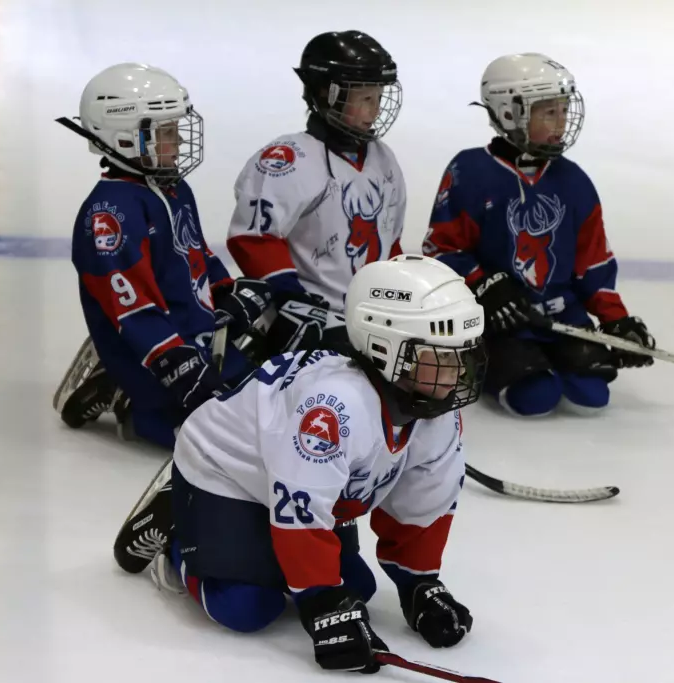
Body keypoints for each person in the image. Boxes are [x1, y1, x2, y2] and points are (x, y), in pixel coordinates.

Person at [112, 255, 486, 673]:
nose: (458, 372)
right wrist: (321, 603)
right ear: (386, 348)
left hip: (284, 474)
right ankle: (176, 533)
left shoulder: (435, 414)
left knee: (357, 588)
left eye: (463, 354)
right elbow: (300, 516)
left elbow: (423, 506)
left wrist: (419, 586)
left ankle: (231, 542)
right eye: (441, 356)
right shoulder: (333, 410)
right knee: (246, 607)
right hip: (225, 471)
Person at [422, 53, 656, 418]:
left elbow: (592, 261)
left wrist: (616, 320)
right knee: (534, 398)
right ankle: (484, 356)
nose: (561, 123)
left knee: (592, 395)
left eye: (564, 110)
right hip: (503, 322)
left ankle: (548, 357)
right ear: (509, 112)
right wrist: (485, 284)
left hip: (562, 318)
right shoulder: (470, 171)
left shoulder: (574, 180)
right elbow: (442, 250)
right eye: (549, 112)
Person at [53, 63, 272, 449]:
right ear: (124, 138)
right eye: (167, 132)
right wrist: (173, 362)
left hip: (198, 342)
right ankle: (125, 394)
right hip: (159, 362)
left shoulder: (173, 188)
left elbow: (194, 251)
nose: (180, 142)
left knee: (273, 404)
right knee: (224, 445)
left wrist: (225, 290)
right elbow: (131, 308)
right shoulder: (110, 214)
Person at [226, 30, 407, 361]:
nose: (375, 110)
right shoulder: (288, 159)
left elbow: (388, 241)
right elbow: (254, 238)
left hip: (371, 313)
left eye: (379, 98)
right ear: (328, 94)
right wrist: (291, 299)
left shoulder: (384, 159)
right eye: (365, 99)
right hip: (307, 314)